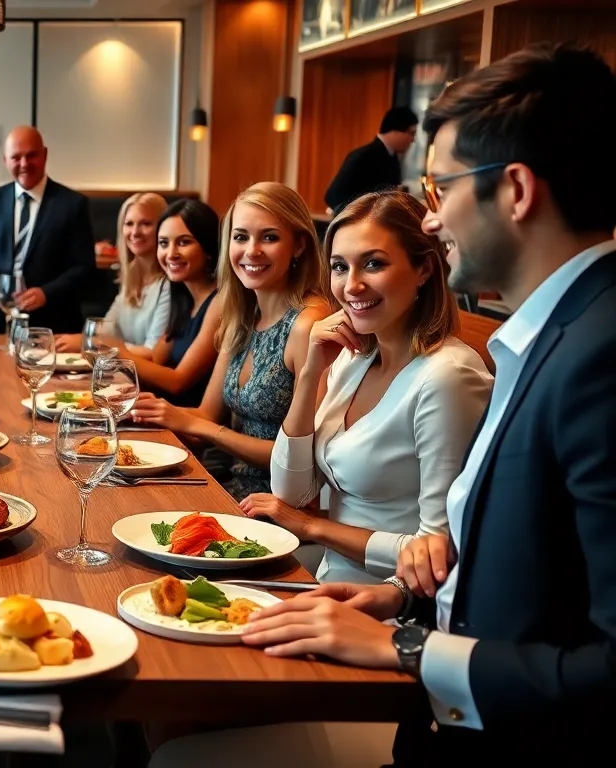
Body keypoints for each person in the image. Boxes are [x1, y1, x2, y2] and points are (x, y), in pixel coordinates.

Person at [240, 44, 616, 762]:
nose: (434, 223)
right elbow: (517, 577)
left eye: (442, 189)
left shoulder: (597, 356)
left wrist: (408, 644)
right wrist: (403, 600)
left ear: (516, 190)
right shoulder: (546, 339)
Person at [240, 190, 493, 585]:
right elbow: (290, 492)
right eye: (340, 267)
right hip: (329, 579)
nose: (352, 285)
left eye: (374, 264)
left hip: (393, 601)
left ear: (424, 268)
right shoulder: (353, 358)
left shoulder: (447, 377)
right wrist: (310, 373)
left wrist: (313, 527)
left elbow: (437, 552)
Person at [129, 182, 328, 499]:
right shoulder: (242, 314)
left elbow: (303, 459)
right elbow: (206, 414)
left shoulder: (308, 324)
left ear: (299, 246)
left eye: (269, 237)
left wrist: (197, 425)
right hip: (232, 489)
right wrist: (145, 411)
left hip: (277, 505)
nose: (252, 250)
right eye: (241, 237)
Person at [0, 126, 96, 334]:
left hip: (52, 325)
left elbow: (84, 268)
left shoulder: (72, 204)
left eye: (31, 156)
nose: (24, 164)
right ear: (5, 161)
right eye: (16, 158)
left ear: (45, 155)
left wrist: (46, 293)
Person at [125, 199, 224, 407]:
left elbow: (177, 382)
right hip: (164, 412)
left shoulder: (220, 301)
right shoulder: (182, 296)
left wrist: (116, 353)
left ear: (208, 248)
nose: (171, 254)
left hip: (190, 422)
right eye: (163, 243)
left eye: (184, 242)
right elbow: (156, 359)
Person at [57, 192, 170, 354]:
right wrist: (67, 339)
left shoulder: (168, 285)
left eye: (146, 224)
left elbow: (152, 353)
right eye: (129, 224)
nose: (135, 232)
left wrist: (90, 344)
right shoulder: (132, 277)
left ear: (164, 228)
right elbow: (107, 329)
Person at [324, 106, 419, 215]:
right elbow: (332, 196)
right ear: (395, 130)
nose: (413, 140)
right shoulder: (364, 155)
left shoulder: (392, 156)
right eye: (411, 133)